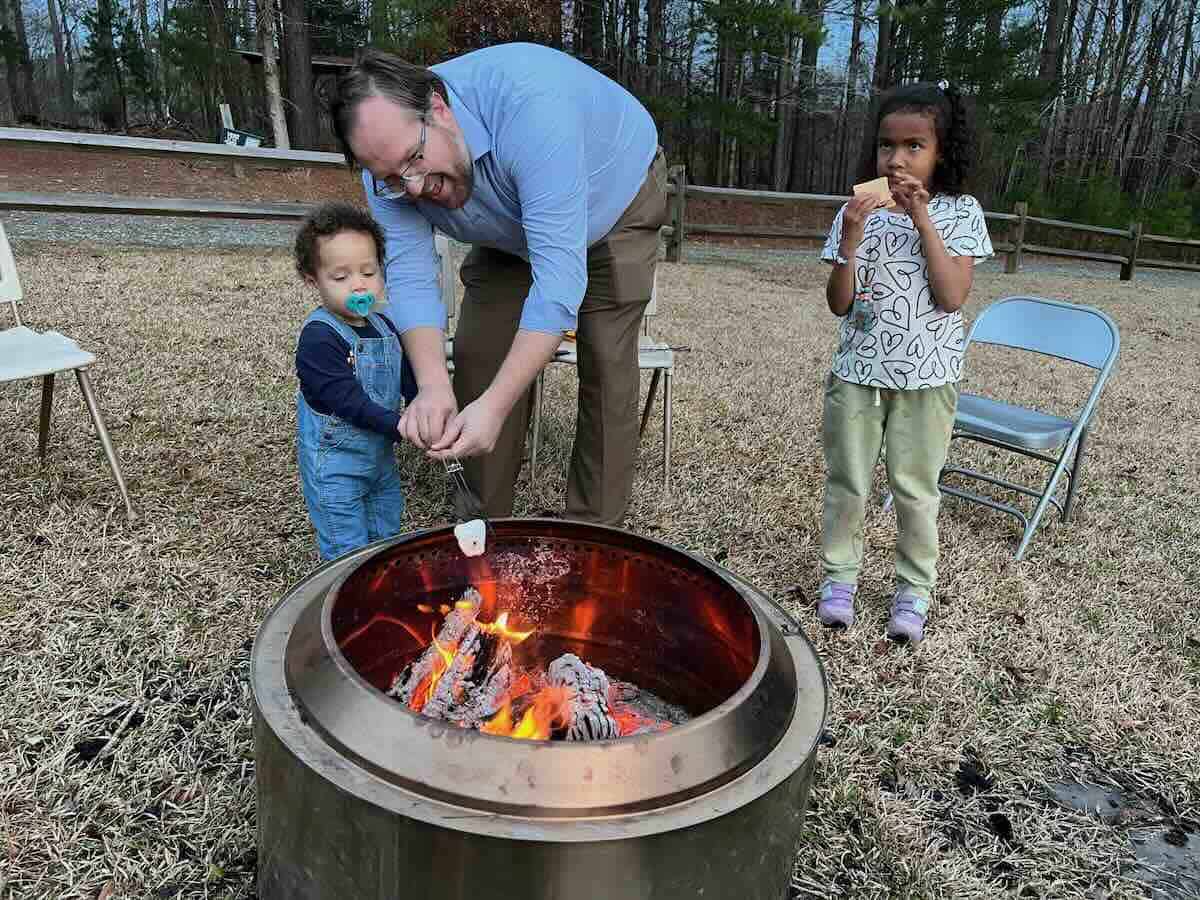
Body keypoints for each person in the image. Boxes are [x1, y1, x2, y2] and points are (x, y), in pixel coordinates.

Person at [329, 43, 668, 526]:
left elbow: (557, 286)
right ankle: (484, 528)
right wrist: (430, 387)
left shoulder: (531, 107)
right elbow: (410, 278)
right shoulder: (385, 174)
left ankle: (594, 536)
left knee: (607, 361)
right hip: (507, 222)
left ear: (439, 108)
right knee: (478, 353)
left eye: (416, 159)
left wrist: (498, 405)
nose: (415, 188)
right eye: (391, 178)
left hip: (614, 196)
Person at [816, 82, 993, 643]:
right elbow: (838, 303)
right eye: (887, 146)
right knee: (847, 482)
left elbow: (951, 296)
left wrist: (923, 222)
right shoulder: (857, 211)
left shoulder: (960, 211)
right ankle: (839, 577)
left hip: (927, 378)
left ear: (942, 152)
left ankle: (913, 589)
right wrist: (850, 238)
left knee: (915, 488)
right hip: (856, 373)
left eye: (915, 145)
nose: (897, 159)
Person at [294, 202, 410, 560]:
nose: (358, 285)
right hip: (335, 467)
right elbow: (348, 402)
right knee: (348, 548)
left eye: (369, 272)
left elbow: (407, 377)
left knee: (386, 531)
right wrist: (403, 425)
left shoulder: (385, 326)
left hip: (379, 461)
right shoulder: (319, 339)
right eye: (341, 278)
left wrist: (424, 407)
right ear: (314, 280)